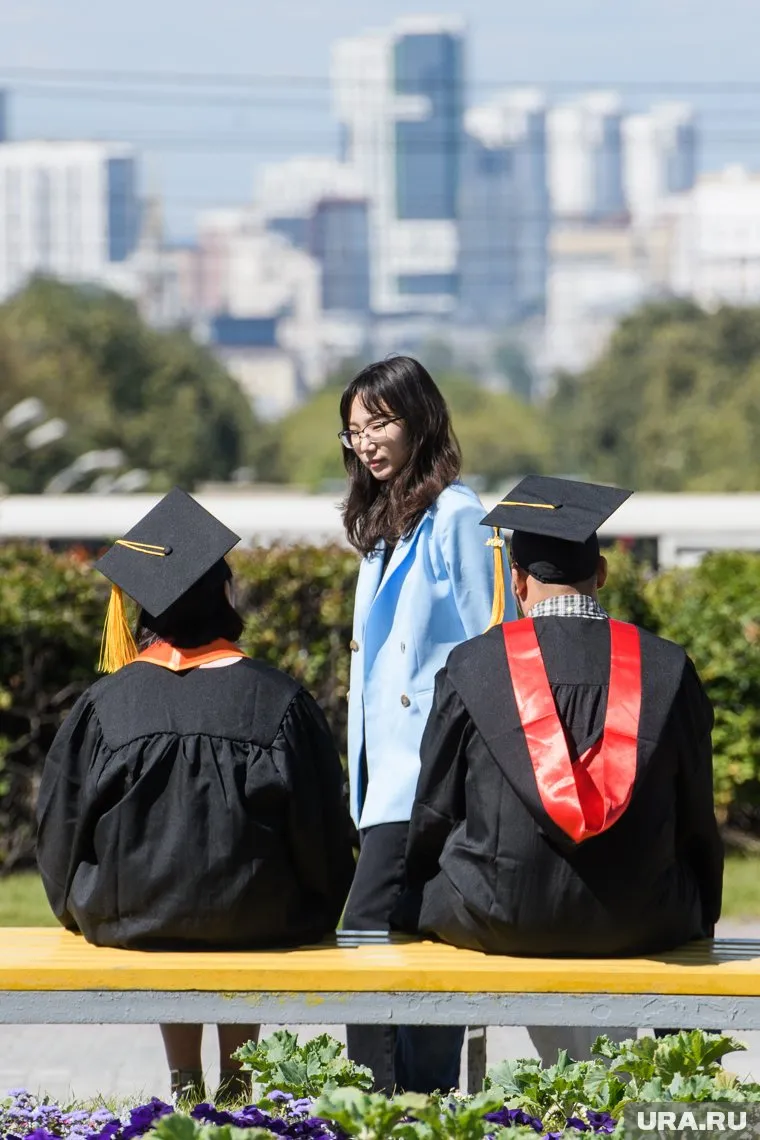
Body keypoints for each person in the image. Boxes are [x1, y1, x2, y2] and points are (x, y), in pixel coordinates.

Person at [36, 487, 355, 1103]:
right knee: (239, 907)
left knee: (170, 912)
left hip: (132, 918)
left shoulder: (107, 704)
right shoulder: (278, 699)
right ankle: (238, 1084)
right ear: (224, 597)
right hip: (262, 919)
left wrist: (79, 905)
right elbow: (322, 836)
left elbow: (59, 832)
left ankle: (186, 1083)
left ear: (141, 612)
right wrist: (316, 906)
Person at [397, 475, 724, 1066]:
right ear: (600, 574)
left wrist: (414, 895)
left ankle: (443, 1104)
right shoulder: (668, 668)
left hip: (500, 916)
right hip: (643, 918)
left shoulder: (473, 667)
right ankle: (642, 1105)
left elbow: (435, 812)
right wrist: (697, 907)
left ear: (517, 581)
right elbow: (696, 817)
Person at [338, 356, 514, 1093]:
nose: (367, 443)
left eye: (380, 423)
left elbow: (488, 643)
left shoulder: (458, 514)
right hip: (387, 771)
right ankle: (422, 1099)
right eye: (353, 432)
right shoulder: (386, 524)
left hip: (429, 774)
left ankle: (384, 1101)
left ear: (420, 418)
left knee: (367, 931)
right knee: (412, 933)